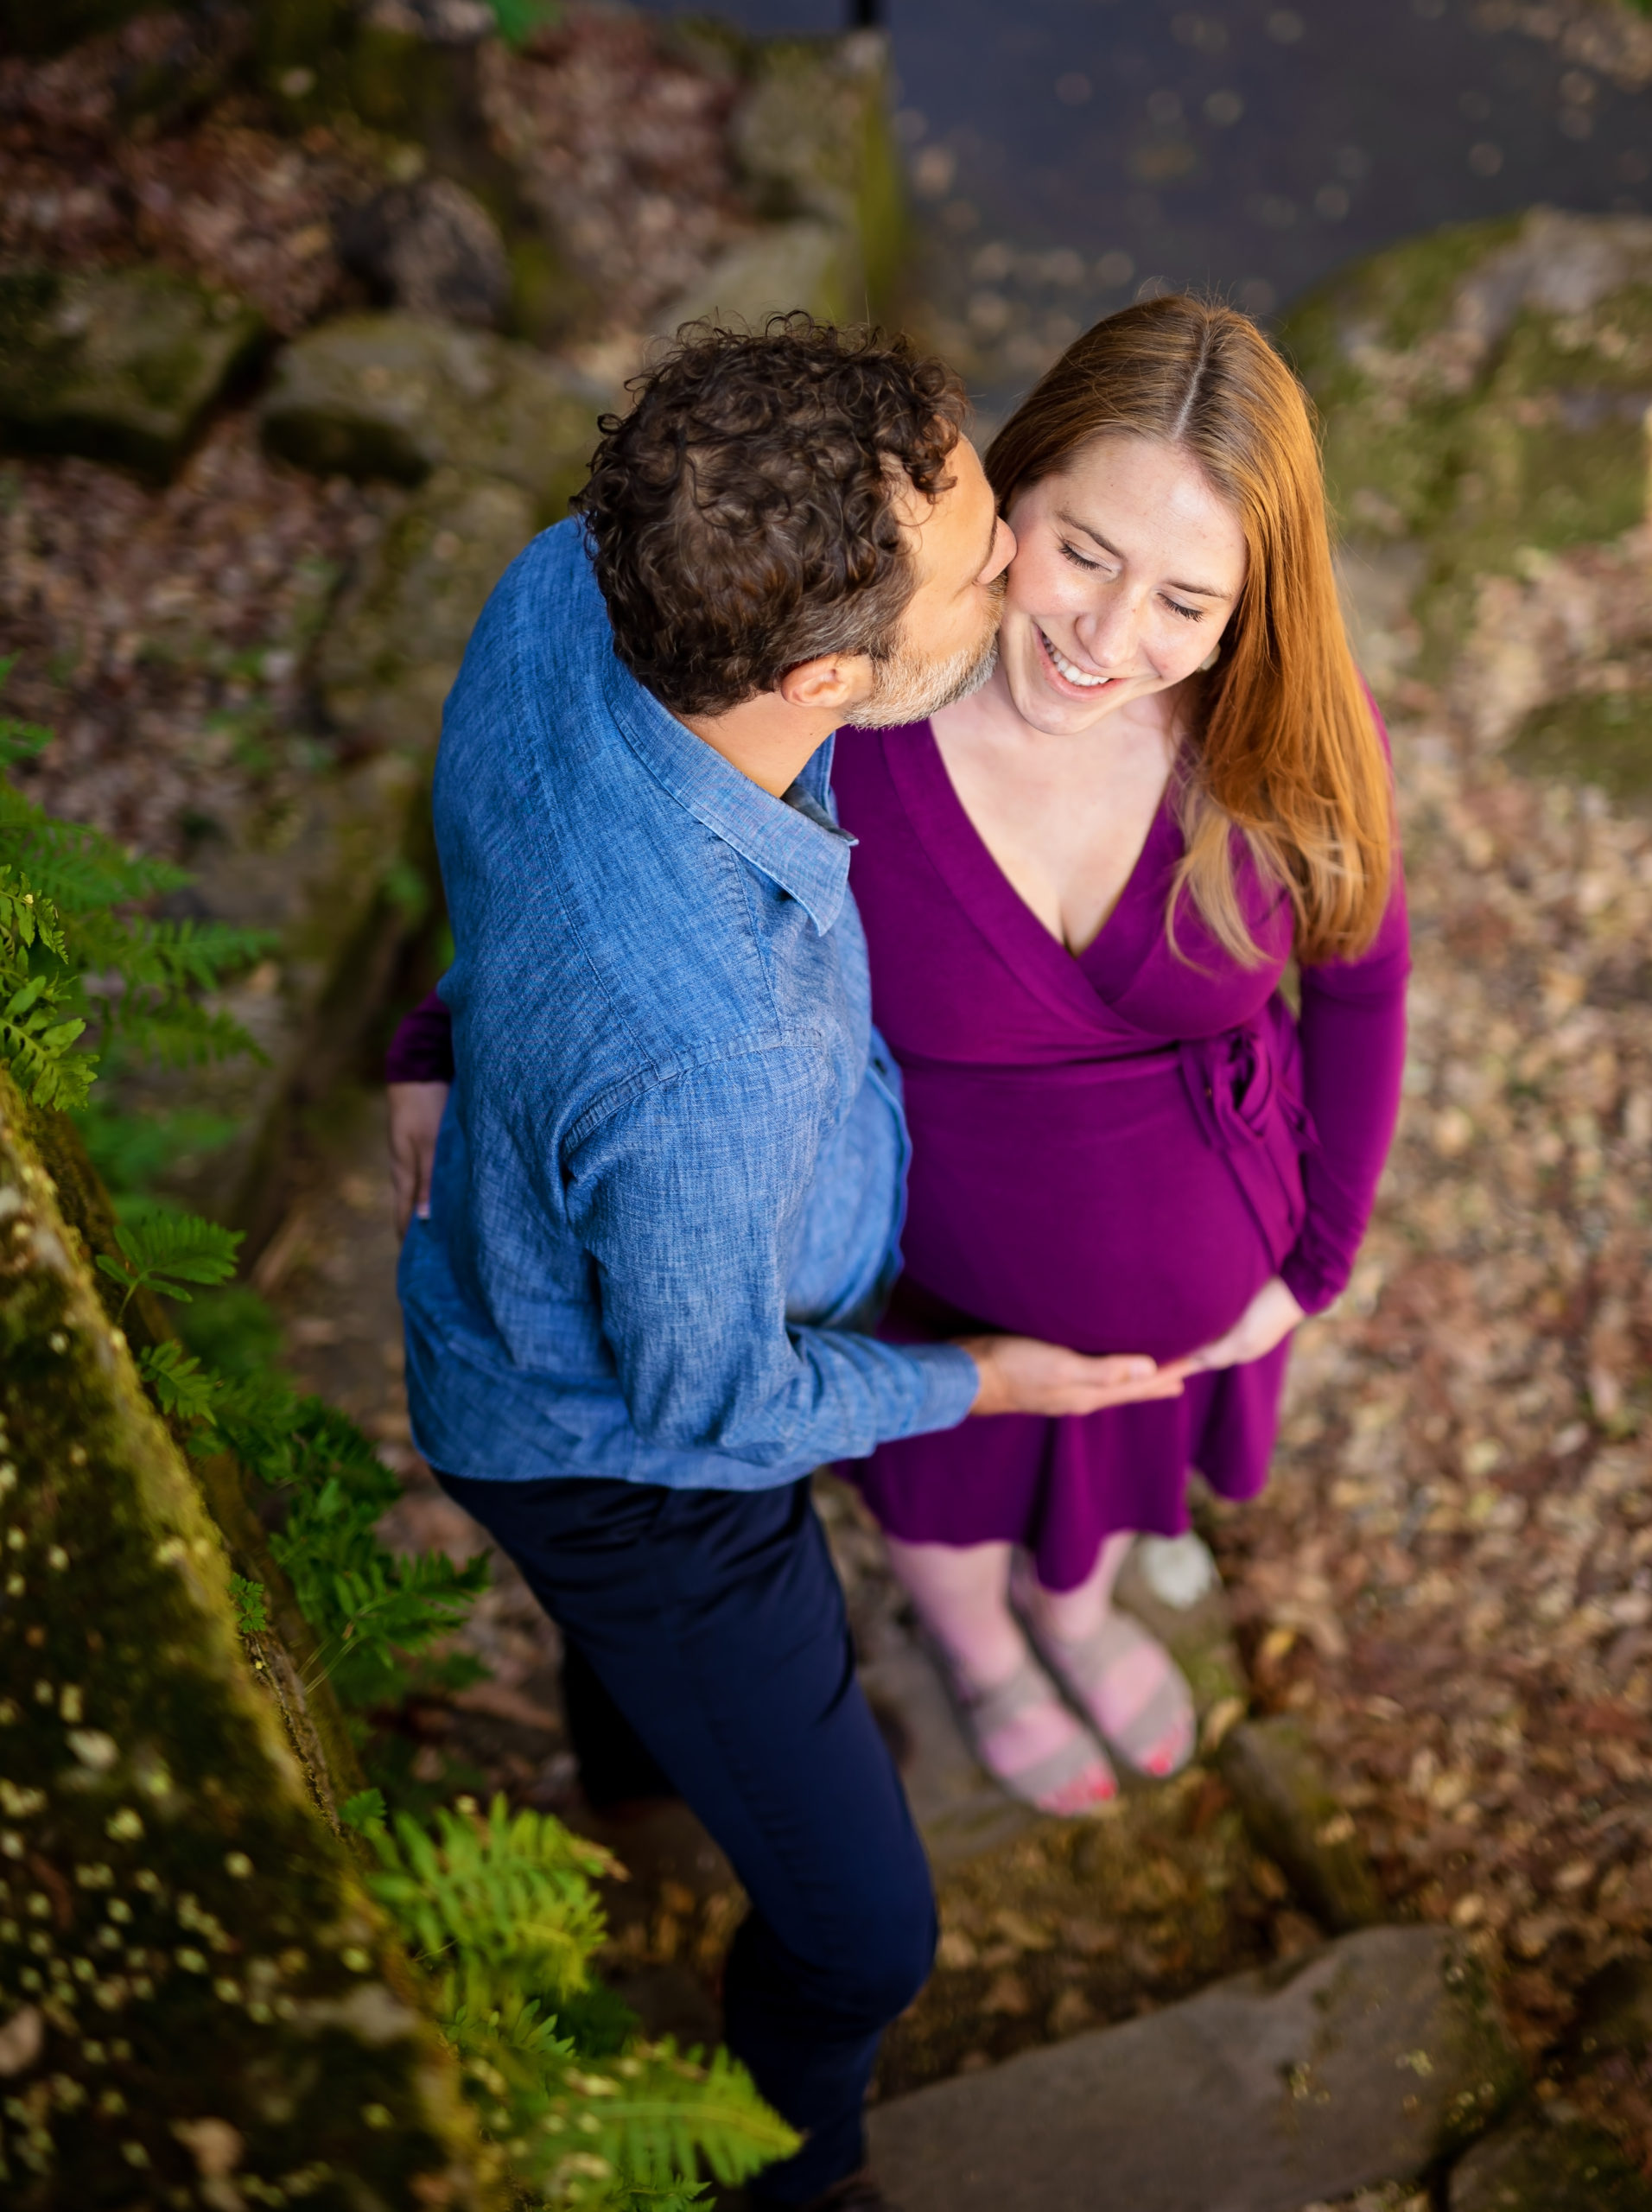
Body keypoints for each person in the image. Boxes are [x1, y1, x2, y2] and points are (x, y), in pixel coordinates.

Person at [385, 316, 1186, 2212]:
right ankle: (787, 2167)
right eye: (984, 562)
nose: (1016, 569)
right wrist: (984, 1379)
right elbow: (712, 1401)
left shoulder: (572, 579)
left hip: (515, 1300)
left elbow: (502, 859)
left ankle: (647, 1786)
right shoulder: (710, 1053)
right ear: (829, 673)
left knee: (641, 1684)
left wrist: (446, 1031)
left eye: (982, 493)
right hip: (632, 1468)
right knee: (862, 1931)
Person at [829, 293, 1410, 1815]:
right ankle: (977, 1648)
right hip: (943, 1297)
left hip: (1201, 1297)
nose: (1105, 638)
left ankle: (1073, 1614)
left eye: (1184, 602)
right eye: (1082, 552)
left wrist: (1311, 1269)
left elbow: (1362, 988)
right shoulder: (856, 716)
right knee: (957, 1518)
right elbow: (634, 846)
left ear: (1246, 613)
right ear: (1007, 489)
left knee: (1102, 1504)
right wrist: (444, 1028)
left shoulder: (1281, 732)